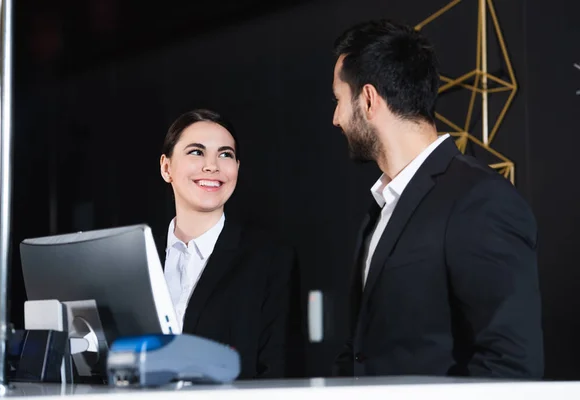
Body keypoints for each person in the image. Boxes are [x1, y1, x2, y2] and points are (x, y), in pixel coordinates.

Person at [331, 19, 543, 378]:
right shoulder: (381, 207)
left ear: (368, 100)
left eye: (338, 100)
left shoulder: (480, 199)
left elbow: (510, 366)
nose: (336, 119)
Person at [158, 109, 302, 379]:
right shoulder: (140, 257)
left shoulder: (269, 259)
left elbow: (279, 371)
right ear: (167, 168)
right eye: (196, 152)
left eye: (225, 154)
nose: (212, 166)